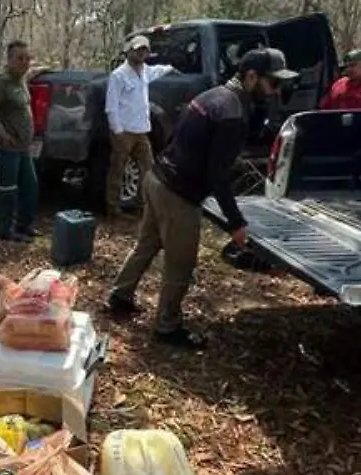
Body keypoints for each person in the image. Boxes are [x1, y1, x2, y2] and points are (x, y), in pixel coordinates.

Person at [107, 48, 298, 350]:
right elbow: (217, 175)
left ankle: (119, 296)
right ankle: (167, 327)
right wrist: (236, 223)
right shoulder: (232, 113)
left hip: (156, 178)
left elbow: (178, 138)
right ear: (251, 77)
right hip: (177, 192)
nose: (276, 91)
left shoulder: (212, 95)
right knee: (180, 263)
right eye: (273, 83)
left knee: (147, 244)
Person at [104, 35, 175, 217]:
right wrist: (118, 131)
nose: (141, 53)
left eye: (144, 50)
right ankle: (112, 207)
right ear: (129, 51)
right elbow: (111, 107)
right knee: (118, 169)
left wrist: (172, 67)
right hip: (124, 131)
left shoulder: (145, 72)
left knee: (148, 168)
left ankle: (140, 203)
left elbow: (158, 70)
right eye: (138, 50)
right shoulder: (118, 75)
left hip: (141, 131)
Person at [0, 40, 38, 243]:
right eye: (20, 58)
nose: (24, 62)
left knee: (30, 186)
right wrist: (1, 132)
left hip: (23, 147)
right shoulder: (2, 81)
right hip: (8, 147)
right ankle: (3, 230)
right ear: (9, 60)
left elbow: (33, 70)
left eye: (27, 58)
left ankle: (23, 226)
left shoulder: (21, 79)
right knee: (8, 190)